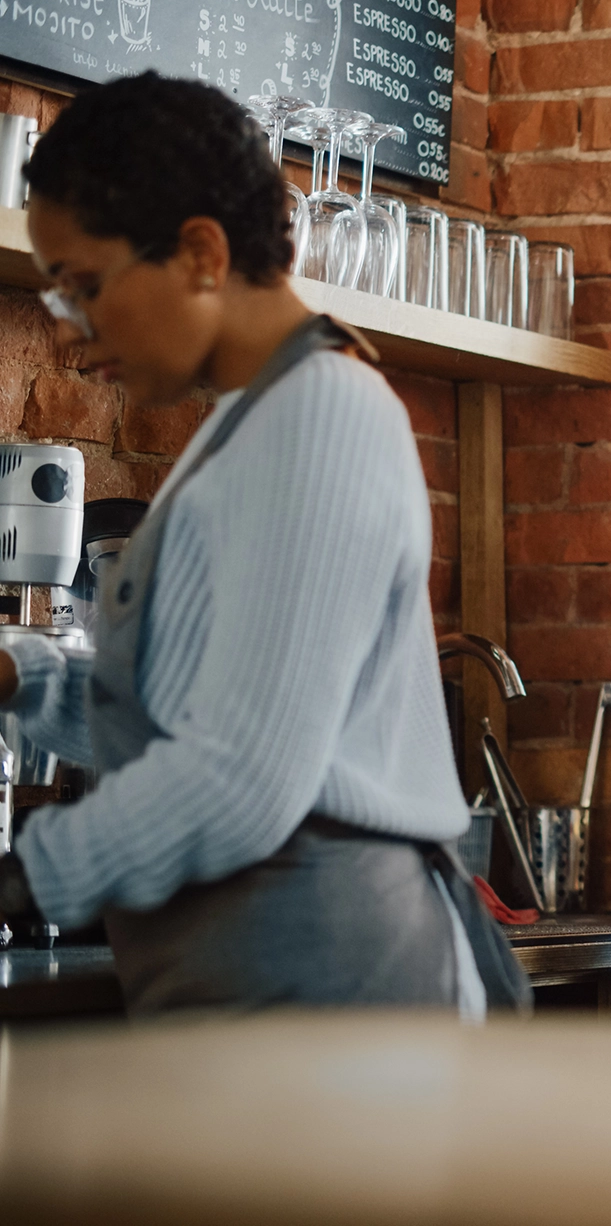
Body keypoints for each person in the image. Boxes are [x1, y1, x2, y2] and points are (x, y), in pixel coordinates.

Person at [0, 73, 525, 1016]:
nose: (73, 332)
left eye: (85, 287)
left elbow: (239, 778)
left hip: (329, 972)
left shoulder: (321, 414)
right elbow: (188, 708)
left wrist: (20, 876)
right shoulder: (253, 420)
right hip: (258, 969)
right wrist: (21, 678)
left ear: (201, 252)